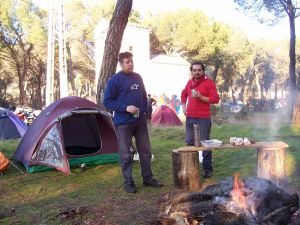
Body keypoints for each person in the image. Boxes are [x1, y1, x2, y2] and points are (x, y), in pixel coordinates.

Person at [103, 51, 163, 193]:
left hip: (139, 121)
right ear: (121, 64)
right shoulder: (114, 80)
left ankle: (148, 178)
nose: (131, 64)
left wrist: (143, 111)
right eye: (127, 62)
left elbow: (143, 96)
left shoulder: (137, 77)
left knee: (145, 150)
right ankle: (128, 182)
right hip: (123, 123)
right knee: (125, 154)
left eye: (131, 61)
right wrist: (125, 108)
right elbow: (107, 101)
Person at [181, 61, 220, 178]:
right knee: (189, 142)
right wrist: (183, 106)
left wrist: (200, 96)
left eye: (199, 70)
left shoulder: (209, 83)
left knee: (205, 144)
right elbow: (183, 94)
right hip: (190, 118)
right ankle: (191, 167)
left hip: (203, 118)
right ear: (191, 72)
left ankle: (207, 170)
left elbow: (215, 99)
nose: (196, 72)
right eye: (194, 70)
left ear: (203, 71)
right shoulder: (189, 83)